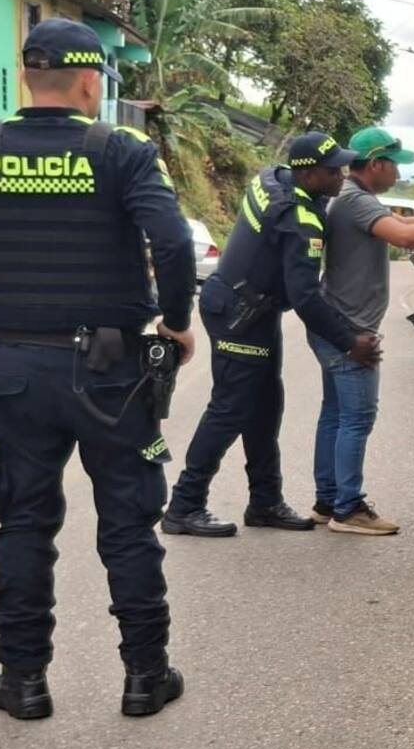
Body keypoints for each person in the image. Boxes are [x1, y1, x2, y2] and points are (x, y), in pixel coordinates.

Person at [0, 18, 196, 720]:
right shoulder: (123, 150)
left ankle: (23, 682)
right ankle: (144, 677)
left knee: (22, 521)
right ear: (88, 80)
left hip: (15, 365)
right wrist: (177, 323)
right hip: (112, 373)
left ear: (28, 78)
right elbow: (172, 242)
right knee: (128, 523)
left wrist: (4, 278)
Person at [161, 132, 381, 538]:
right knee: (229, 409)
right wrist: (351, 341)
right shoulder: (300, 221)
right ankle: (183, 505)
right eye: (333, 171)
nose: (341, 176)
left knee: (265, 404)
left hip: (248, 309)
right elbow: (305, 298)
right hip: (239, 314)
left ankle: (264, 501)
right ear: (310, 174)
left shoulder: (272, 178)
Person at [310, 127, 414, 535]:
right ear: (376, 164)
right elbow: (404, 235)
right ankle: (348, 509)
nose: (399, 177)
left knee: (335, 415)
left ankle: (327, 501)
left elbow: (400, 224)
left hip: (331, 324)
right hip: (350, 331)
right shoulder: (356, 202)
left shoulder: (355, 199)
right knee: (356, 418)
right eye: (395, 168)